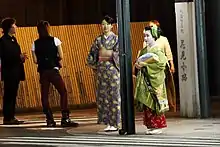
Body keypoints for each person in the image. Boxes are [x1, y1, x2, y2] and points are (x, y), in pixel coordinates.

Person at [31, 20, 78, 127]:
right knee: (63, 92)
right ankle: (65, 118)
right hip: (54, 70)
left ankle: (49, 119)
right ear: (48, 28)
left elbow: (35, 60)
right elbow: (61, 55)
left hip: (43, 72)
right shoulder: (55, 40)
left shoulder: (35, 43)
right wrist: (53, 59)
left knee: (44, 96)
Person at [87, 15, 120, 132]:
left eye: (107, 24)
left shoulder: (116, 39)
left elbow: (118, 53)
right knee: (104, 96)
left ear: (112, 26)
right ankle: (108, 122)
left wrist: (109, 53)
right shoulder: (98, 40)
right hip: (101, 70)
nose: (105, 26)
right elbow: (92, 54)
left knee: (115, 95)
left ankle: (116, 122)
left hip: (113, 69)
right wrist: (94, 65)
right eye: (103, 24)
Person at [134, 24, 169, 135]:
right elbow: (138, 62)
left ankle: (157, 125)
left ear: (154, 36)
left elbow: (161, 65)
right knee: (147, 104)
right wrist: (138, 65)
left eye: (147, 36)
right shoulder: (144, 50)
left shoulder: (158, 51)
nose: (145, 38)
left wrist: (146, 65)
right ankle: (150, 125)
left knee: (155, 103)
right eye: (144, 36)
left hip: (154, 81)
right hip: (145, 79)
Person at [143, 20, 176, 112]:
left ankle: (170, 104)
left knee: (166, 86)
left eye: (152, 26)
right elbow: (144, 52)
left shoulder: (163, 39)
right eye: (149, 26)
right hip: (151, 67)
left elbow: (168, 53)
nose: (151, 28)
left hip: (161, 66)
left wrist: (172, 65)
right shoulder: (147, 39)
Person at [0, 17, 27, 125]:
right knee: (9, 94)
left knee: (13, 94)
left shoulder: (13, 40)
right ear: (9, 28)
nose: (16, 27)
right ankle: (7, 117)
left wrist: (21, 58)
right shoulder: (2, 41)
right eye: (14, 25)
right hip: (9, 71)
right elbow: (4, 57)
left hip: (16, 70)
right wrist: (18, 57)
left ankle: (12, 116)